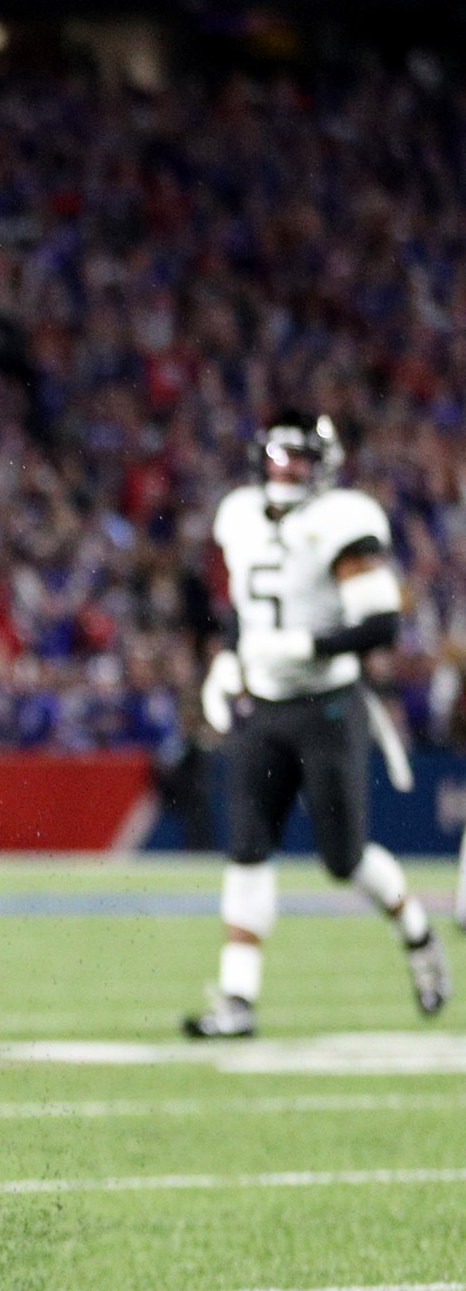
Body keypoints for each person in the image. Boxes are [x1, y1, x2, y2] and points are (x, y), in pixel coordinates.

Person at [184, 413, 448, 1037]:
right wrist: (227, 661)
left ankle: (417, 933)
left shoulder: (343, 520)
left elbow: (381, 624)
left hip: (327, 705)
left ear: (323, 465)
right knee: (246, 848)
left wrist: (306, 645)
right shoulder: (240, 514)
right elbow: (245, 608)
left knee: (343, 859)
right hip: (264, 705)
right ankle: (237, 999)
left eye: (299, 458)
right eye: (277, 456)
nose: (286, 469)